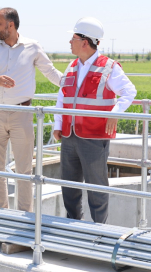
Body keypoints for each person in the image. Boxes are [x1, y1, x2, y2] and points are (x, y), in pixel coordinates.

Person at [0, 7, 62, 212]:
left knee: (24, 168)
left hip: (22, 114)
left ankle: (25, 216)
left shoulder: (32, 47)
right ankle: (1, 212)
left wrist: (75, 85)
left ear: (10, 25)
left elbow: (50, 72)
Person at [53, 17, 137, 223]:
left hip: (93, 137)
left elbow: (129, 91)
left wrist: (114, 113)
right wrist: (57, 125)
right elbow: (62, 96)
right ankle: (73, 224)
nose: (69, 42)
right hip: (69, 135)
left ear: (84, 42)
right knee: (69, 186)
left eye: (73, 38)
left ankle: (100, 229)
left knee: (96, 186)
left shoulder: (108, 67)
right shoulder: (72, 66)